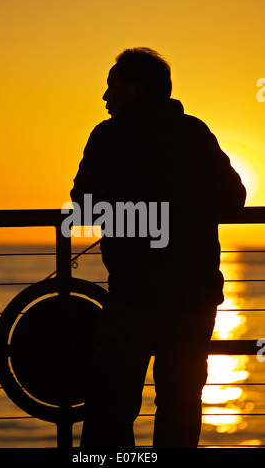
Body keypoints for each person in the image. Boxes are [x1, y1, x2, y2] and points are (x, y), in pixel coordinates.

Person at [70, 47, 246, 448]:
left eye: (112, 86)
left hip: (136, 293)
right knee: (181, 403)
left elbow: (83, 204)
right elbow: (233, 198)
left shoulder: (109, 136)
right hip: (195, 293)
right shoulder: (194, 132)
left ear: (135, 88)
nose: (105, 97)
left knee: (112, 403)